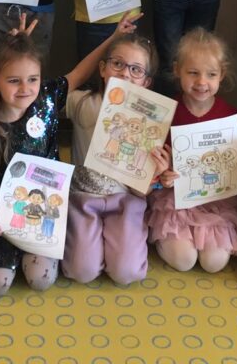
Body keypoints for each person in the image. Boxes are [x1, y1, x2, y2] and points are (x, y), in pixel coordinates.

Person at [0, 11, 140, 296]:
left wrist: (114, 38)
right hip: (0, 208)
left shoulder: (46, 97)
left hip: (46, 204)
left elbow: (80, 72)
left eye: (32, 79)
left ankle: (23, 250)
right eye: (14, 81)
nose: (25, 88)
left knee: (41, 280)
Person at [61, 33, 169, 286]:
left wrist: (157, 174)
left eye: (136, 69)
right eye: (117, 64)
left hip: (126, 201)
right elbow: (48, 93)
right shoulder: (81, 102)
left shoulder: (151, 120)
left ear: (146, 82)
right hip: (82, 198)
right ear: (102, 68)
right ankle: (92, 245)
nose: (125, 74)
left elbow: (142, 188)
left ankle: (114, 243)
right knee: (81, 271)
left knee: (126, 272)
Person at [148, 29, 237, 273]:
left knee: (214, 263)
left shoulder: (230, 116)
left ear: (222, 75)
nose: (202, 82)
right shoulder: (166, 113)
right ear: (177, 70)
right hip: (173, 198)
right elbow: (157, 164)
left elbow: (236, 165)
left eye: (211, 74)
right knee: (184, 260)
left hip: (215, 201)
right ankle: (164, 238)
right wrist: (164, 176)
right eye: (193, 73)